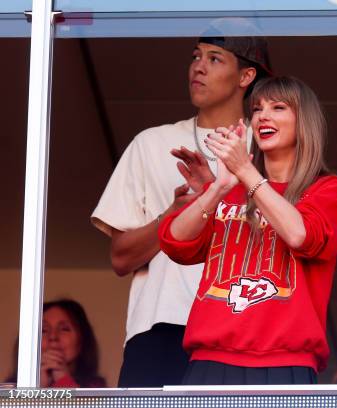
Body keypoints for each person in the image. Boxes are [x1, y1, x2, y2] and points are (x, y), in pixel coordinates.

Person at [91, 36, 271, 387]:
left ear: (245, 76)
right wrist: (173, 216)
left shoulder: (267, 145)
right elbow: (121, 258)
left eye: (215, 59)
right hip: (161, 326)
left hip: (244, 325)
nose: (198, 67)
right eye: (195, 57)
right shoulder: (151, 143)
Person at [158, 76, 337, 385]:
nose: (263, 116)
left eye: (278, 107)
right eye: (257, 108)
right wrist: (218, 187)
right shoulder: (230, 189)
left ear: (305, 122)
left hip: (286, 362)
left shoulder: (326, 189)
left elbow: (300, 235)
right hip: (211, 358)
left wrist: (245, 171)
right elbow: (174, 241)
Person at [4, 300, 106, 388]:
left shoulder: (95, 389)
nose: (53, 337)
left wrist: (63, 381)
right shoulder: (11, 389)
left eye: (64, 329)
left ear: (81, 341)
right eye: (44, 330)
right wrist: (36, 389)